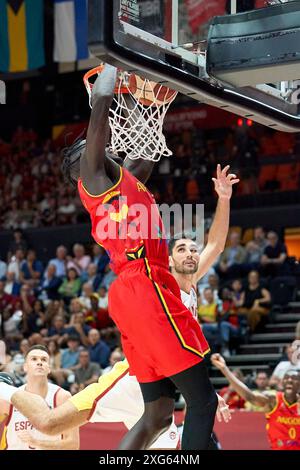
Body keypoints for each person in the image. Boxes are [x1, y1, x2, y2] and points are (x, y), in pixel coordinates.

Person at [59, 63, 239, 450]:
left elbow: (147, 149)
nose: (104, 145)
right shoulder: (90, 176)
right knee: (203, 400)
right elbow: (100, 117)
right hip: (144, 285)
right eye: (92, 146)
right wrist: (113, 65)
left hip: (134, 291)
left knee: (157, 414)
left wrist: (153, 99)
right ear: (81, 160)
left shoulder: (124, 182)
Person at [211, 353, 300, 450]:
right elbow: (250, 396)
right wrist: (224, 369)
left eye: (294, 379)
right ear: (282, 383)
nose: (289, 380)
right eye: (286, 378)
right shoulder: (273, 400)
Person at [0, 345, 79, 450]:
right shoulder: (11, 398)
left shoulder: (62, 397)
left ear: (49, 369)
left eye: (44, 360)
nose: (39, 362)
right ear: (25, 367)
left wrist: (37, 443)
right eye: (34, 359)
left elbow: (73, 445)